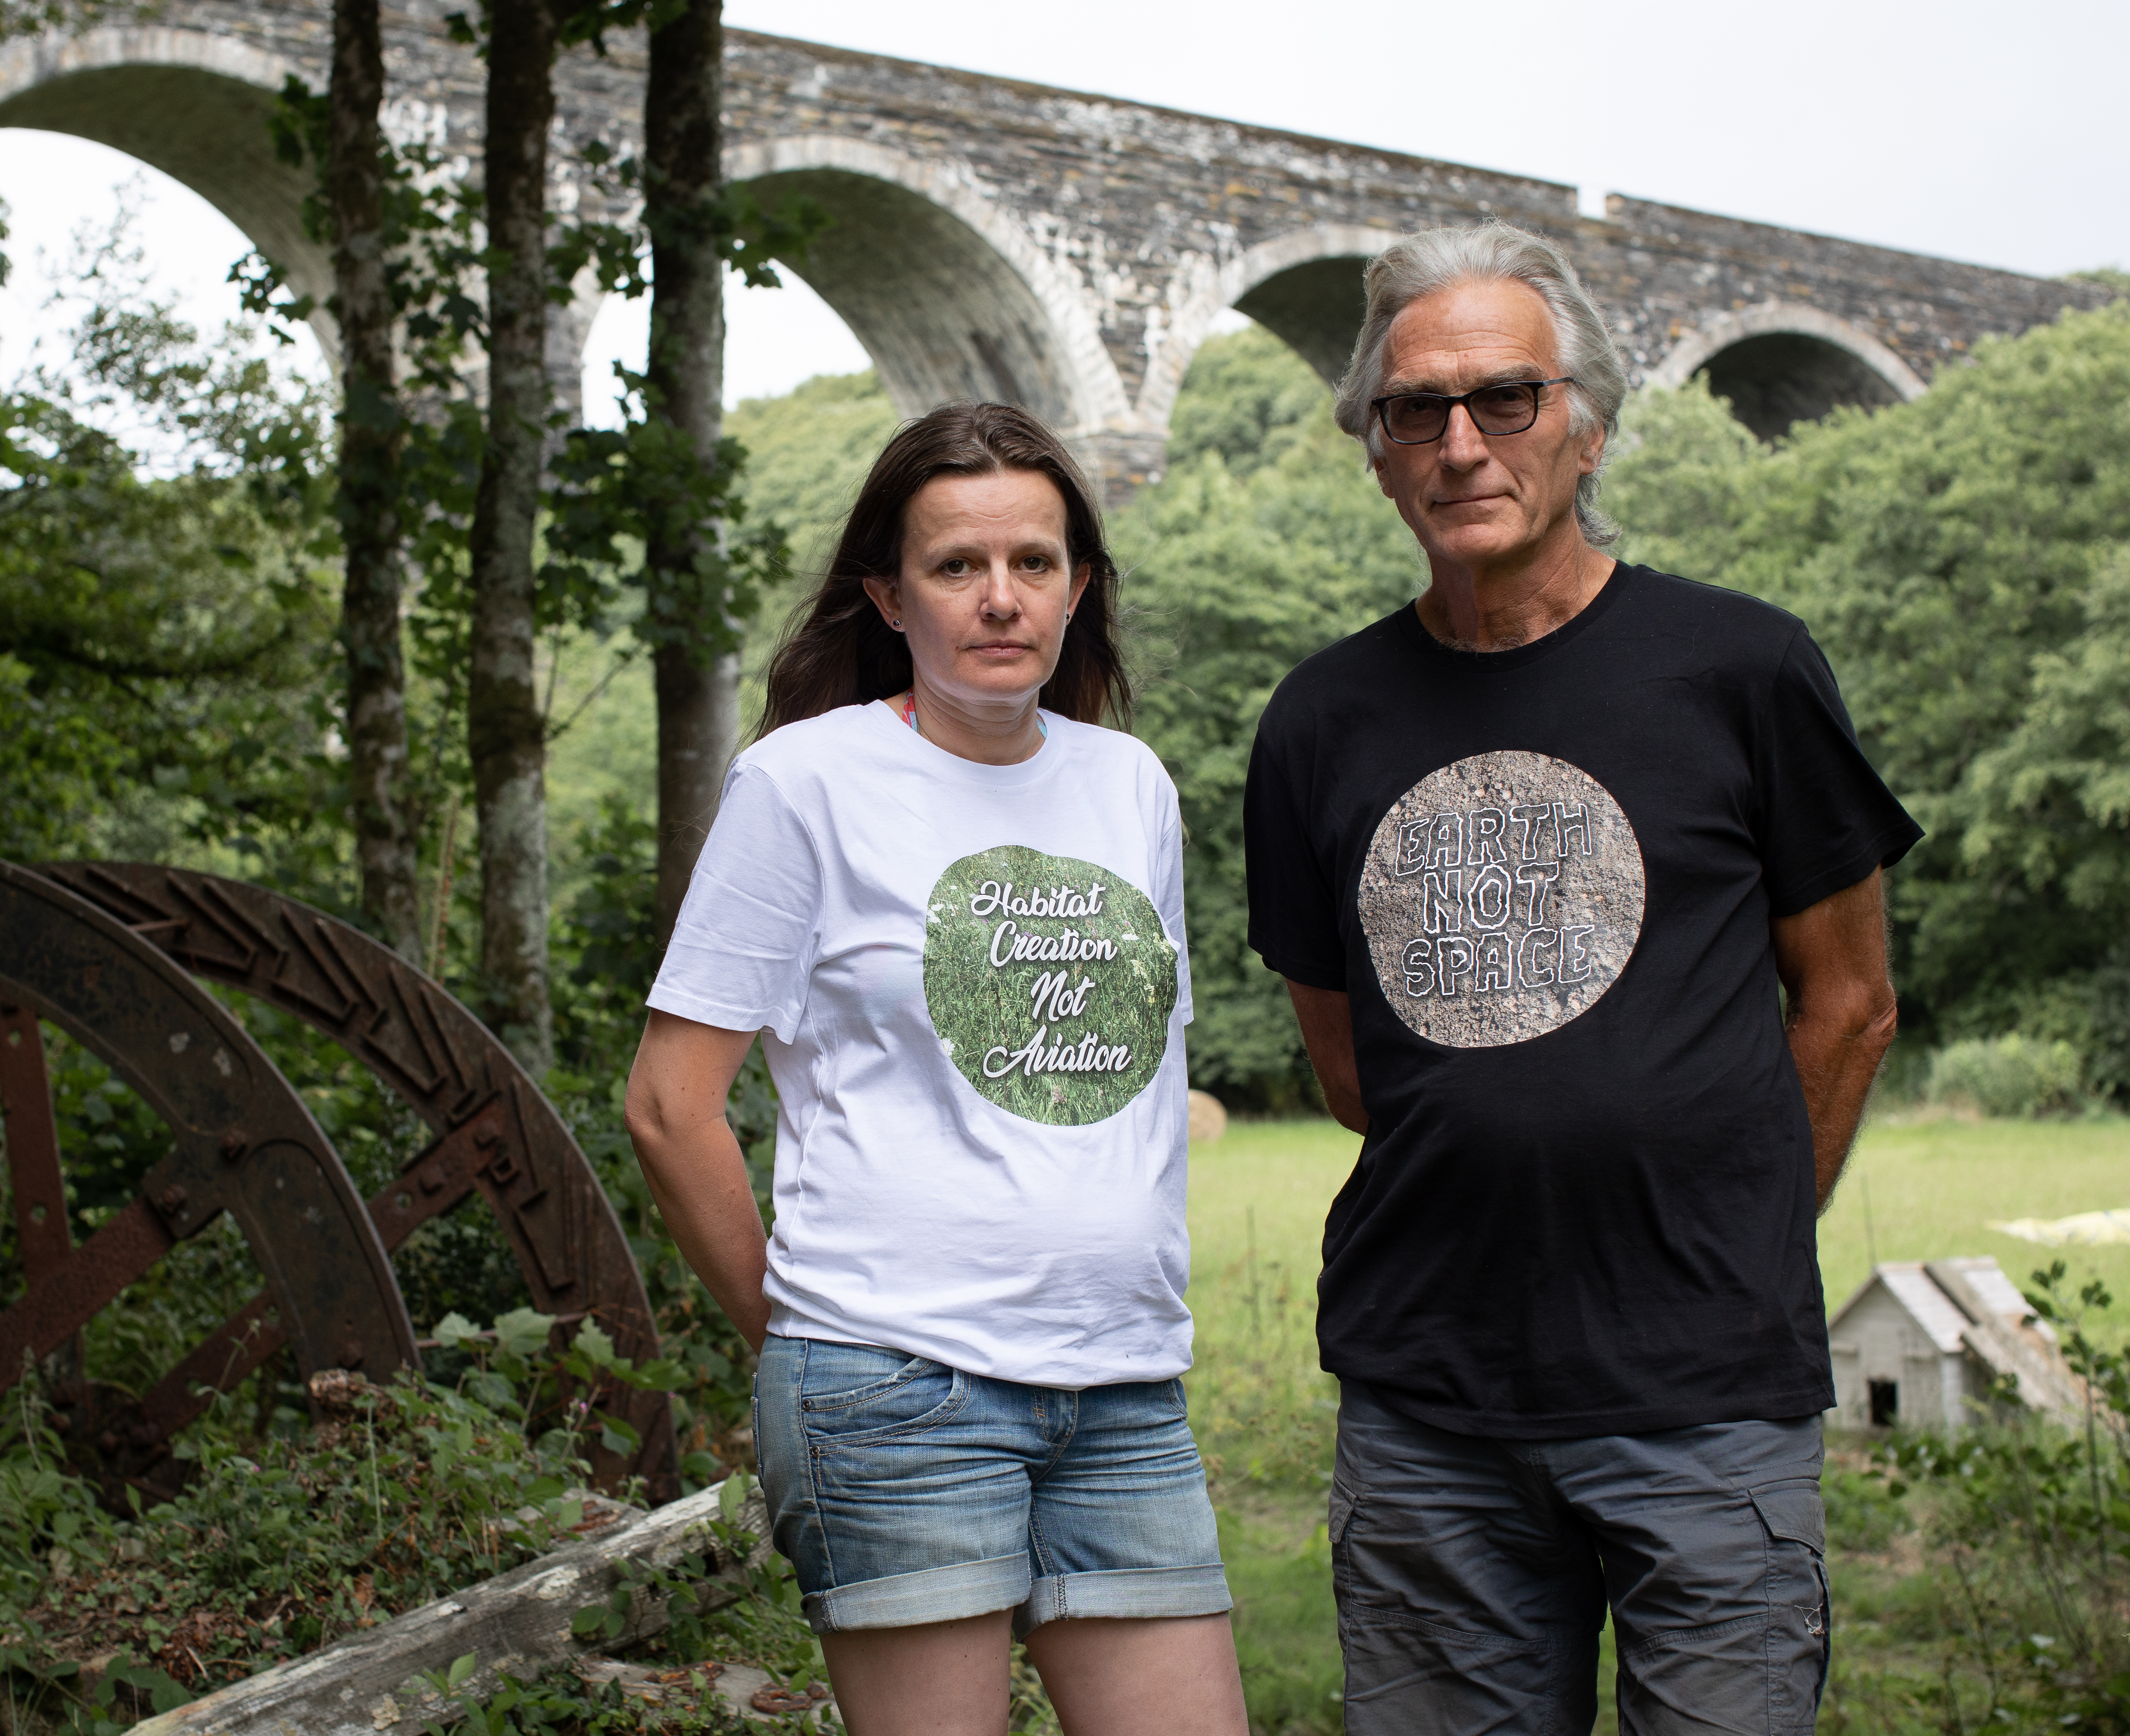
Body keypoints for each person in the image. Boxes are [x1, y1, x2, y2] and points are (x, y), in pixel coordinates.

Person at [1243, 223, 1920, 1734]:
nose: (1461, 443)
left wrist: (1731, 1236)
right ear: (1374, 448)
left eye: (1508, 399)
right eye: (1416, 408)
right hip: (1430, 1405)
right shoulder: (1318, 721)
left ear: (1588, 426)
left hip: (1707, 1400)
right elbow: (1356, 1066)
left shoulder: (1742, 669)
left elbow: (1852, 1001)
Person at [625, 403, 1247, 1736]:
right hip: (898, 1389)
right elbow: (671, 1108)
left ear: (1081, 587)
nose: (1001, 598)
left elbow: (1139, 1068)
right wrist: (803, 1338)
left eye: (1034, 562)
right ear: (888, 595)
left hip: (1126, 1387)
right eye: (958, 566)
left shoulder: (1130, 785)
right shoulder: (804, 785)